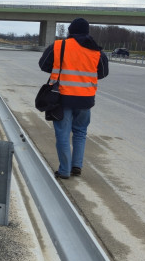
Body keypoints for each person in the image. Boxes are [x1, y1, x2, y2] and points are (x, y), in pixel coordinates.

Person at [38, 18, 108, 180]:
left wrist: (60, 69)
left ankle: (64, 170)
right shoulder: (96, 51)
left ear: (70, 31)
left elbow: (43, 65)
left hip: (62, 98)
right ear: (87, 32)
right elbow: (103, 72)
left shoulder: (59, 46)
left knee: (63, 134)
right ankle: (76, 166)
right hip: (85, 99)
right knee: (80, 132)